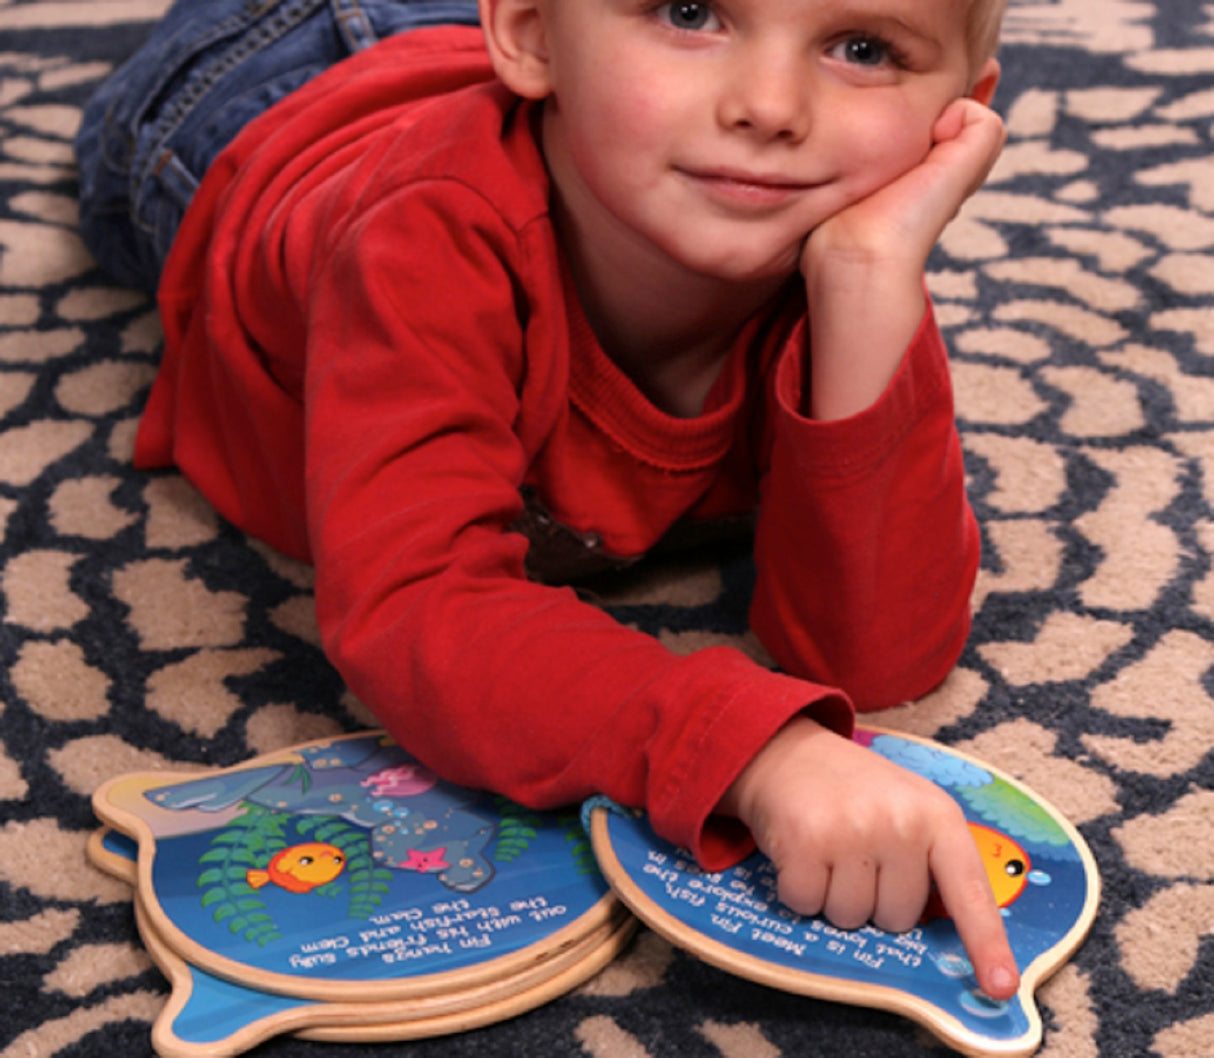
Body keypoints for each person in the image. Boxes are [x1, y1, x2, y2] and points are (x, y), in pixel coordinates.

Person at [76, 0, 1018, 999]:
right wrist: (750, 751)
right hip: (251, 85)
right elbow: (415, 609)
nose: (769, 107)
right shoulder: (422, 230)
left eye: (862, 49)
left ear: (953, 116)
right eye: (692, 11)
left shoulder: (830, 234)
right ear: (528, 31)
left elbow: (876, 654)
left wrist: (870, 280)